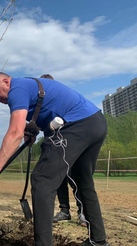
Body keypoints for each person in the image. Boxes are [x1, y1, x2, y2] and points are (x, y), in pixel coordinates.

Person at [0, 72, 109, 246]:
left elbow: (14, 133)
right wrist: (33, 130)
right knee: (83, 182)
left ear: (6, 81)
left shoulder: (17, 89)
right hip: (95, 122)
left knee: (42, 180)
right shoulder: (28, 87)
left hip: (76, 124)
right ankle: (99, 241)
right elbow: (47, 114)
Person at [40, 74, 87, 227]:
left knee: (74, 179)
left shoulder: (63, 100)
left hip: (68, 145)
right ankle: (64, 211)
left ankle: (82, 212)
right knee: (58, 180)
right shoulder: (43, 105)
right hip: (53, 146)